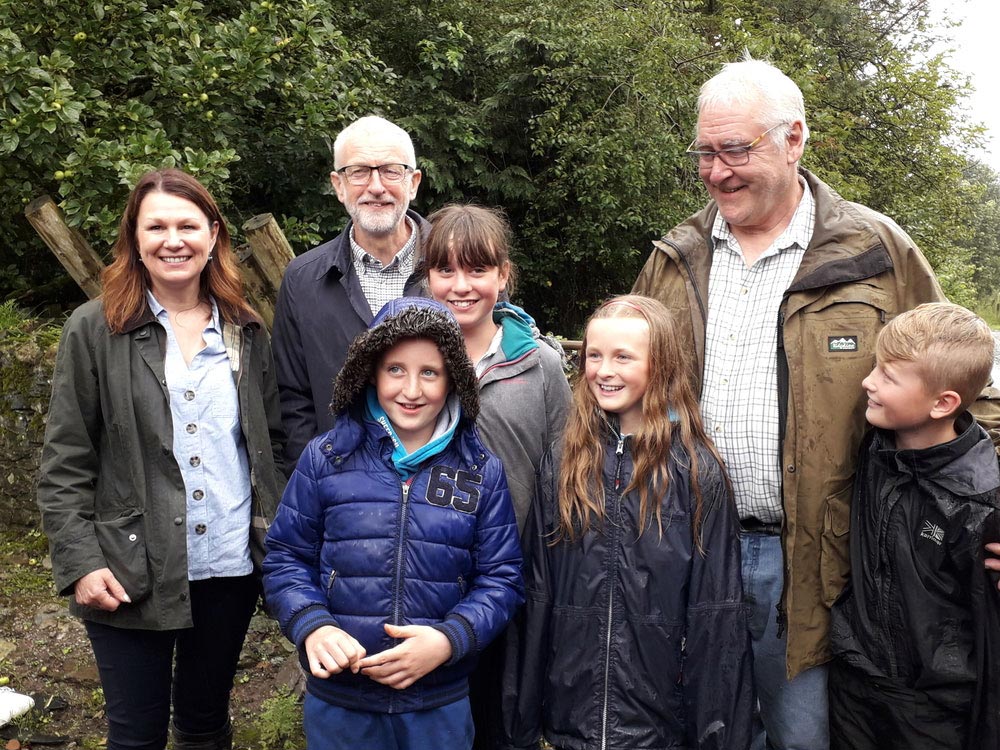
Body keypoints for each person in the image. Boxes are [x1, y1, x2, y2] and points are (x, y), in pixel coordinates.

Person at [631, 56, 1000, 749]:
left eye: (735, 150)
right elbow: (619, 385)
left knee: (802, 736)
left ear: (793, 139)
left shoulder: (876, 250)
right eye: (704, 153)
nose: (717, 172)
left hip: (813, 563)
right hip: (683, 545)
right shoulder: (675, 255)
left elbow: (968, 388)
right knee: (691, 729)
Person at [36, 169, 286, 750]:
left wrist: (279, 541)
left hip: (228, 565)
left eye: (187, 225)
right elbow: (67, 460)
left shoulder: (245, 330)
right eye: (157, 226)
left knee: (204, 723)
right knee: (135, 732)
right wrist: (79, 562)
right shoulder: (95, 329)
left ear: (213, 234)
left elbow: (270, 446)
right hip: (128, 570)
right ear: (135, 238)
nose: (173, 240)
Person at [262, 297, 524, 749]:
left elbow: (502, 577)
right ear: (370, 372)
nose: (412, 389)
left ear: (454, 380)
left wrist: (450, 639)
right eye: (395, 369)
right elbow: (286, 557)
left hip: (437, 703)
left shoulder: (481, 471)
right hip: (340, 701)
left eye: (430, 372)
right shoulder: (326, 459)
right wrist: (312, 624)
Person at [502, 295, 753, 750]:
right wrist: (522, 724)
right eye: (594, 355)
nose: (604, 370)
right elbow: (536, 593)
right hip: (569, 716)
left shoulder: (696, 471)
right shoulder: (562, 461)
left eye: (623, 357)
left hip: (659, 721)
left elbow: (717, 617)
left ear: (660, 367)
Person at [421, 203, 571, 748]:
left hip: (512, 585)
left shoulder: (541, 366)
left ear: (503, 275)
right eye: (446, 270)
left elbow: (563, 476)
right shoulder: (404, 359)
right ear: (427, 276)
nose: (461, 286)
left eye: (478, 270)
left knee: (503, 723)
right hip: (425, 581)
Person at [828, 303, 1000, 750]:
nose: (868, 381)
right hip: (856, 685)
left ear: (943, 403)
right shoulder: (871, 450)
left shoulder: (978, 501)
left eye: (889, 376)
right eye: (875, 369)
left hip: (934, 708)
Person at [272, 114, 426, 467]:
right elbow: (293, 400)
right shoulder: (303, 280)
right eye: (358, 172)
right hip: (340, 491)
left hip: (439, 489)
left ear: (413, 182)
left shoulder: (457, 269)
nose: (375, 186)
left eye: (390, 170)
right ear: (338, 185)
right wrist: (319, 480)